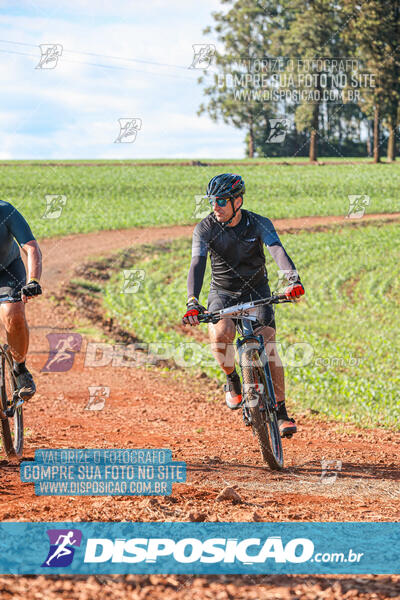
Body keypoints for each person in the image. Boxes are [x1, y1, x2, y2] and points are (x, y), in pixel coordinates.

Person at [182, 173, 304, 438]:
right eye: (213, 201)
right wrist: (193, 301)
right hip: (222, 293)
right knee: (220, 336)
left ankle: (281, 411)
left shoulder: (258, 222)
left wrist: (292, 280)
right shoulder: (205, 229)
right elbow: (197, 264)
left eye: (222, 201)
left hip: (257, 291)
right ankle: (232, 379)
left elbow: (277, 250)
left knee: (269, 347)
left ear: (238, 201)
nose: (216, 206)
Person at [0, 200, 42, 399]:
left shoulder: (5, 211)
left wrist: (33, 280)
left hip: (7, 271)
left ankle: (20, 369)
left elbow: (31, 248)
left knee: (13, 314)